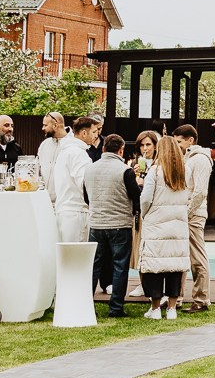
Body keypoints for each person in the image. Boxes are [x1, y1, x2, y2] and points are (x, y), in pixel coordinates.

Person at [83, 132, 141, 316]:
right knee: (120, 266)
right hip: (119, 224)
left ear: (103, 148)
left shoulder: (90, 169)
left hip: (96, 223)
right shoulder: (125, 170)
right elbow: (136, 197)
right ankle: (116, 307)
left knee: (94, 266)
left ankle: (85, 303)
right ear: (121, 149)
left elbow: (86, 197)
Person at [137, 135, 194, 317]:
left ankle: (154, 309)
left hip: (156, 224)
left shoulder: (155, 171)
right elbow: (189, 196)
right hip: (178, 224)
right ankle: (171, 308)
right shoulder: (186, 171)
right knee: (174, 267)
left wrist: (145, 214)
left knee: (154, 267)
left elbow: (145, 198)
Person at [173, 122, 215, 289]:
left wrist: (187, 212)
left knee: (197, 258)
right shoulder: (188, 158)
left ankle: (202, 299)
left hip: (194, 214)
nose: (176, 146)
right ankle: (178, 296)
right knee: (182, 257)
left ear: (190, 140)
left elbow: (200, 192)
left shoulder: (201, 160)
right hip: (186, 212)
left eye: (179, 142)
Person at [51, 114, 100, 242]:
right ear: (84, 133)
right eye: (94, 132)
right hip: (76, 212)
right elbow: (85, 183)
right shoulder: (78, 153)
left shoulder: (65, 151)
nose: (96, 135)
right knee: (77, 258)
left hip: (63, 210)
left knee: (66, 257)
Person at [35, 110, 68, 191]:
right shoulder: (44, 144)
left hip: (65, 200)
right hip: (44, 197)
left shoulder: (73, 144)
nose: (43, 128)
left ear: (55, 125)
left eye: (45, 125)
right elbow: (36, 169)